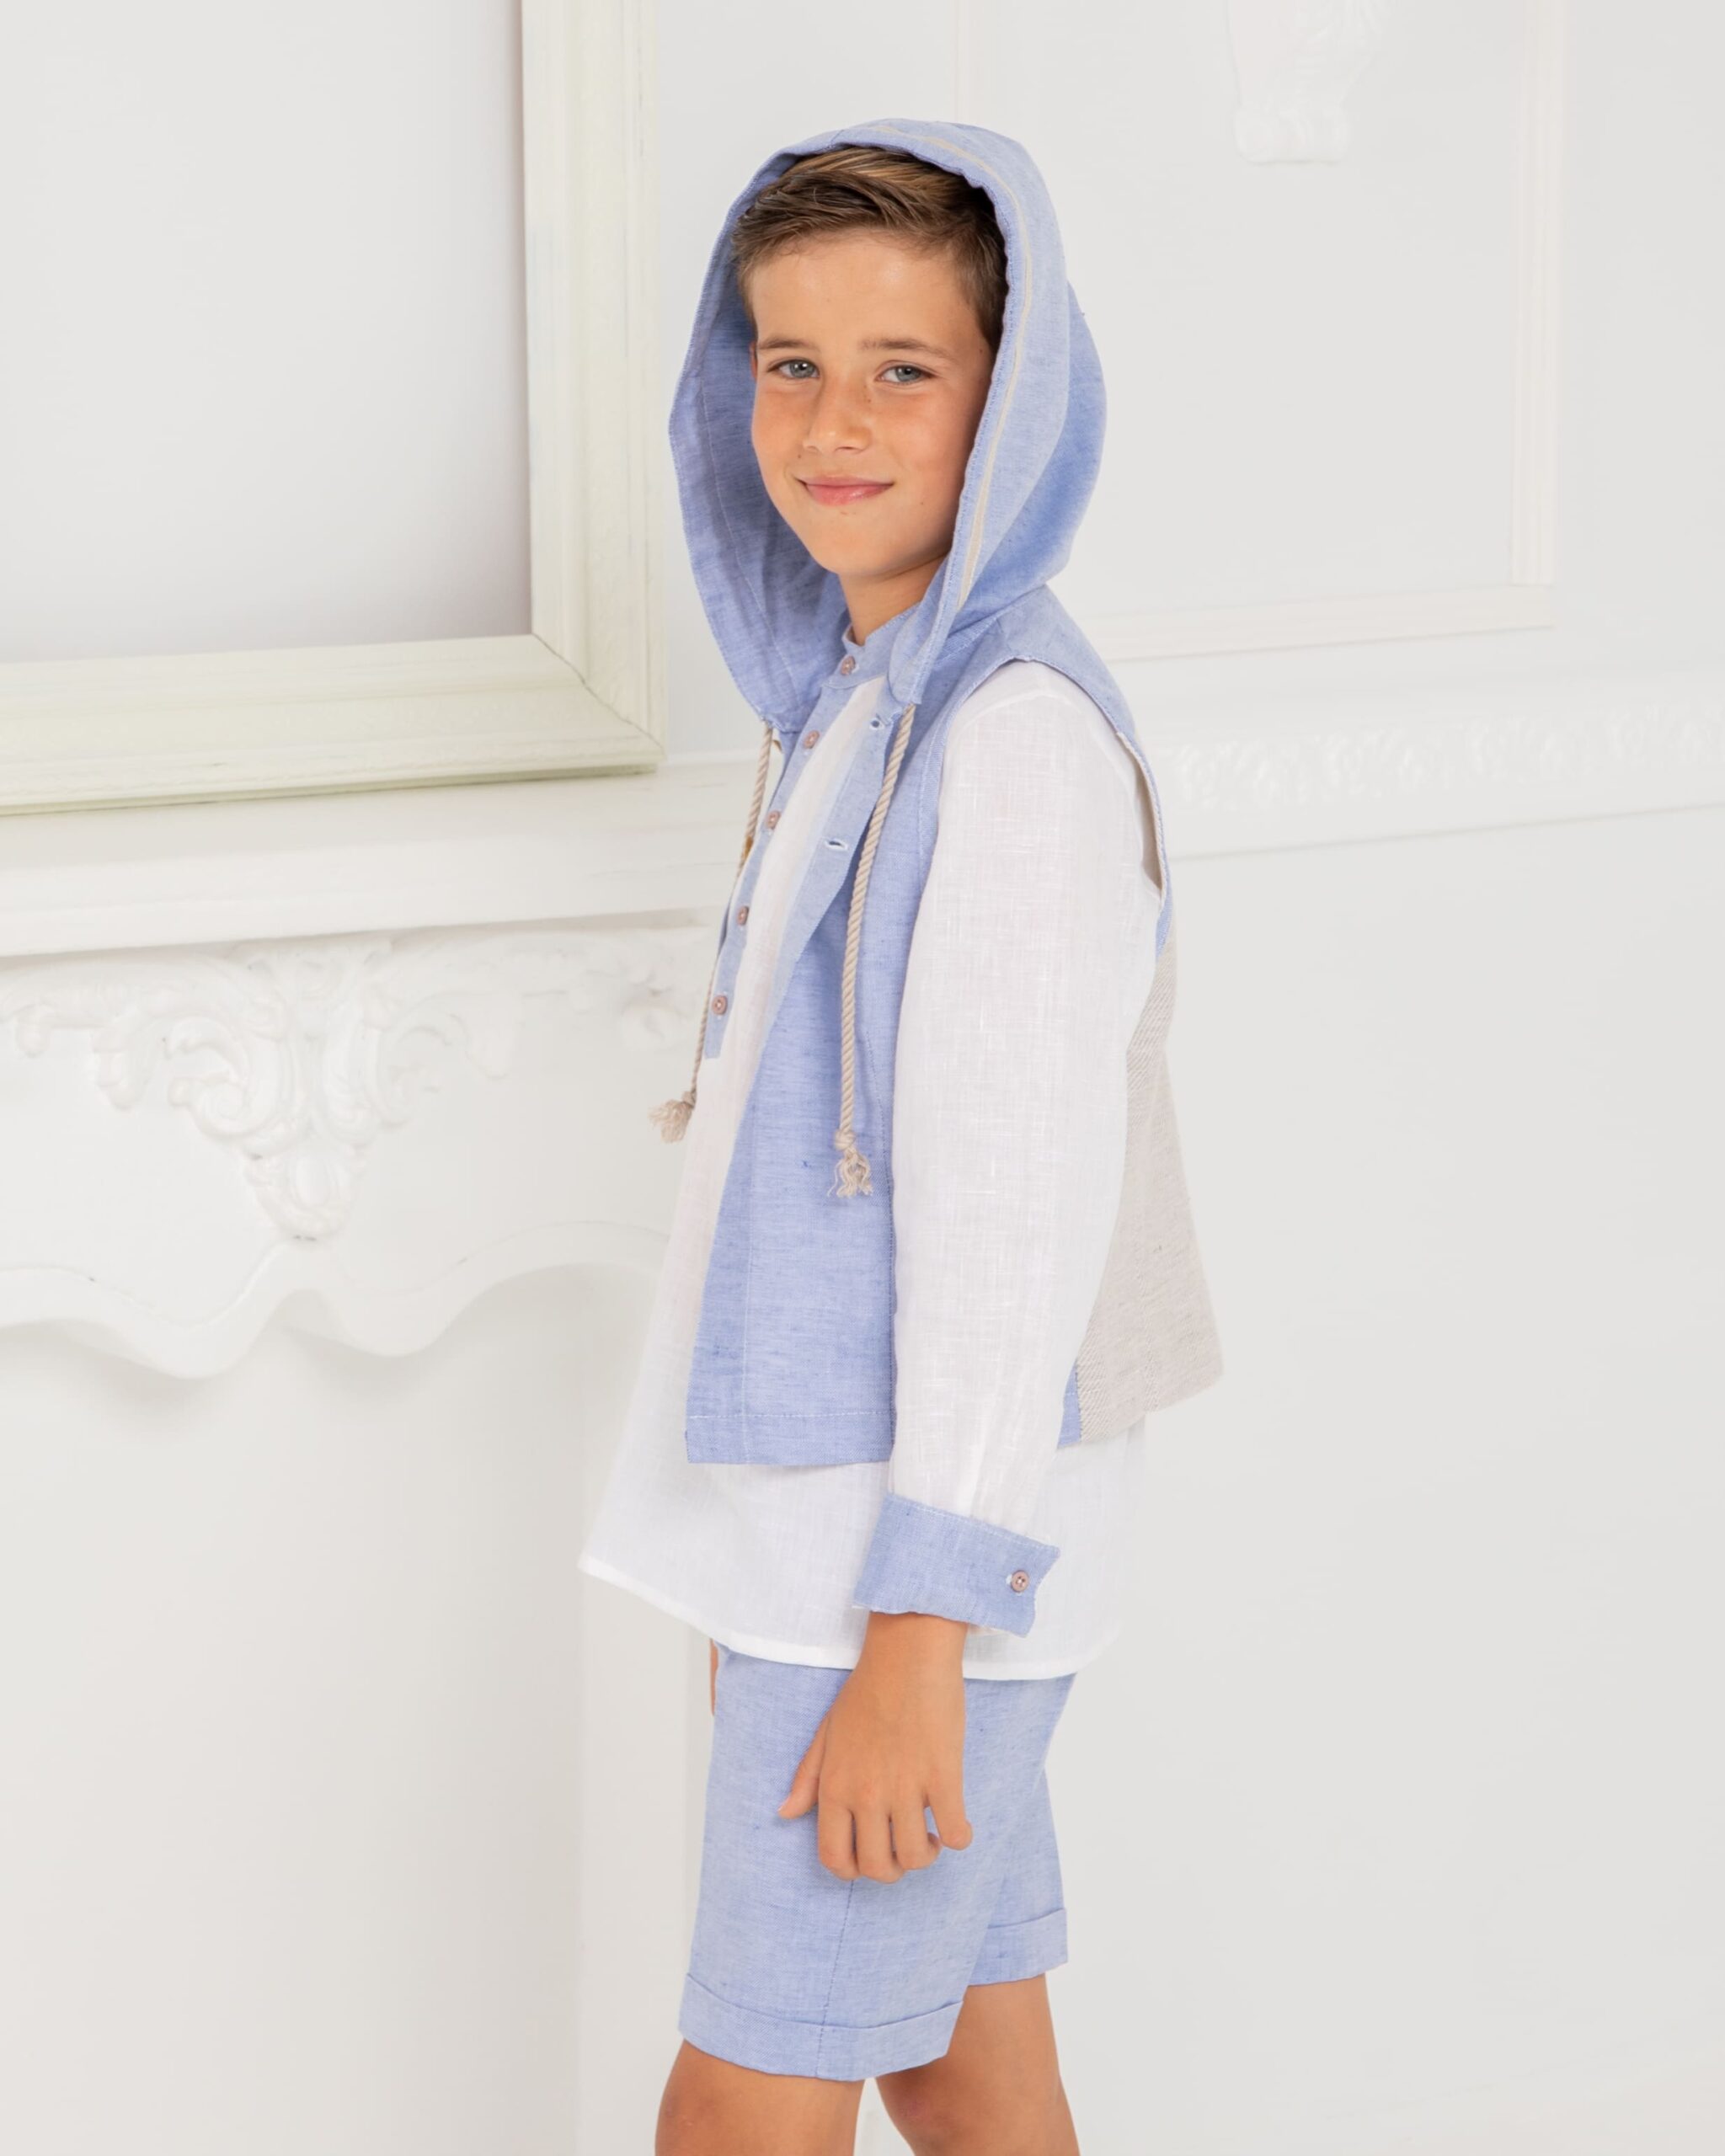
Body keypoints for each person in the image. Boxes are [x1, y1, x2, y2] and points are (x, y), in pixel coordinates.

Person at [577, 118, 1223, 2154]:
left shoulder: (1009, 743)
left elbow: (1010, 1223)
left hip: (905, 1558)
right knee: (964, 2058)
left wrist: (910, 1639)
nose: (832, 422)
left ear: (1009, 402)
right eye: (790, 362)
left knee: (745, 2091)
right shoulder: (865, 695)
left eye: (903, 369)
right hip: (829, 1545)